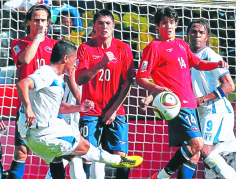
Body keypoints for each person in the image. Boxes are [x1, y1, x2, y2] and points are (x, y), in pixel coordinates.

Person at [16, 40, 143, 179]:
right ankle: (118, 161)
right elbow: (23, 83)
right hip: (42, 134)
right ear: (65, 59)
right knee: (84, 147)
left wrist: (80, 107)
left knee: (60, 159)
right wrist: (28, 108)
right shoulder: (47, 73)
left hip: (35, 134)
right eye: (74, 60)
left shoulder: (56, 78)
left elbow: (58, 107)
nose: (76, 65)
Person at [136, 7, 228, 179]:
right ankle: (161, 176)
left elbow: (199, 63)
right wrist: (155, 89)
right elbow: (141, 78)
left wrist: (216, 64)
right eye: (164, 22)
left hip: (190, 104)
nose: (168, 26)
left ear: (176, 24)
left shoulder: (181, 44)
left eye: (171, 22)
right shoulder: (153, 47)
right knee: (197, 144)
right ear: (157, 25)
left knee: (193, 154)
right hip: (176, 105)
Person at [75, 9, 135, 179]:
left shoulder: (123, 49)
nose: (104, 26)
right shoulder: (85, 48)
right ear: (94, 26)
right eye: (100, 23)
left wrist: (114, 110)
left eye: (108, 23)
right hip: (91, 111)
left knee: (121, 157)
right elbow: (79, 79)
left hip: (116, 111)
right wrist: (101, 63)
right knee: (87, 155)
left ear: (114, 26)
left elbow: (128, 82)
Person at [187, 19, 236, 179]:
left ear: (207, 36)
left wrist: (203, 99)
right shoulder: (187, 56)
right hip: (203, 113)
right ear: (187, 34)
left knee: (204, 151)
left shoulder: (210, 55)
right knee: (197, 153)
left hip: (216, 110)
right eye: (193, 32)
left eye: (201, 32)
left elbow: (229, 86)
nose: (197, 35)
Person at [9, 4, 57, 179]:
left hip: (51, 109)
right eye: (36, 20)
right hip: (26, 106)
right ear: (28, 22)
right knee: (21, 152)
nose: (40, 24)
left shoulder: (56, 46)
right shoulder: (18, 43)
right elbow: (26, 59)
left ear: (49, 22)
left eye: (43, 20)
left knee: (55, 154)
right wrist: (38, 39)